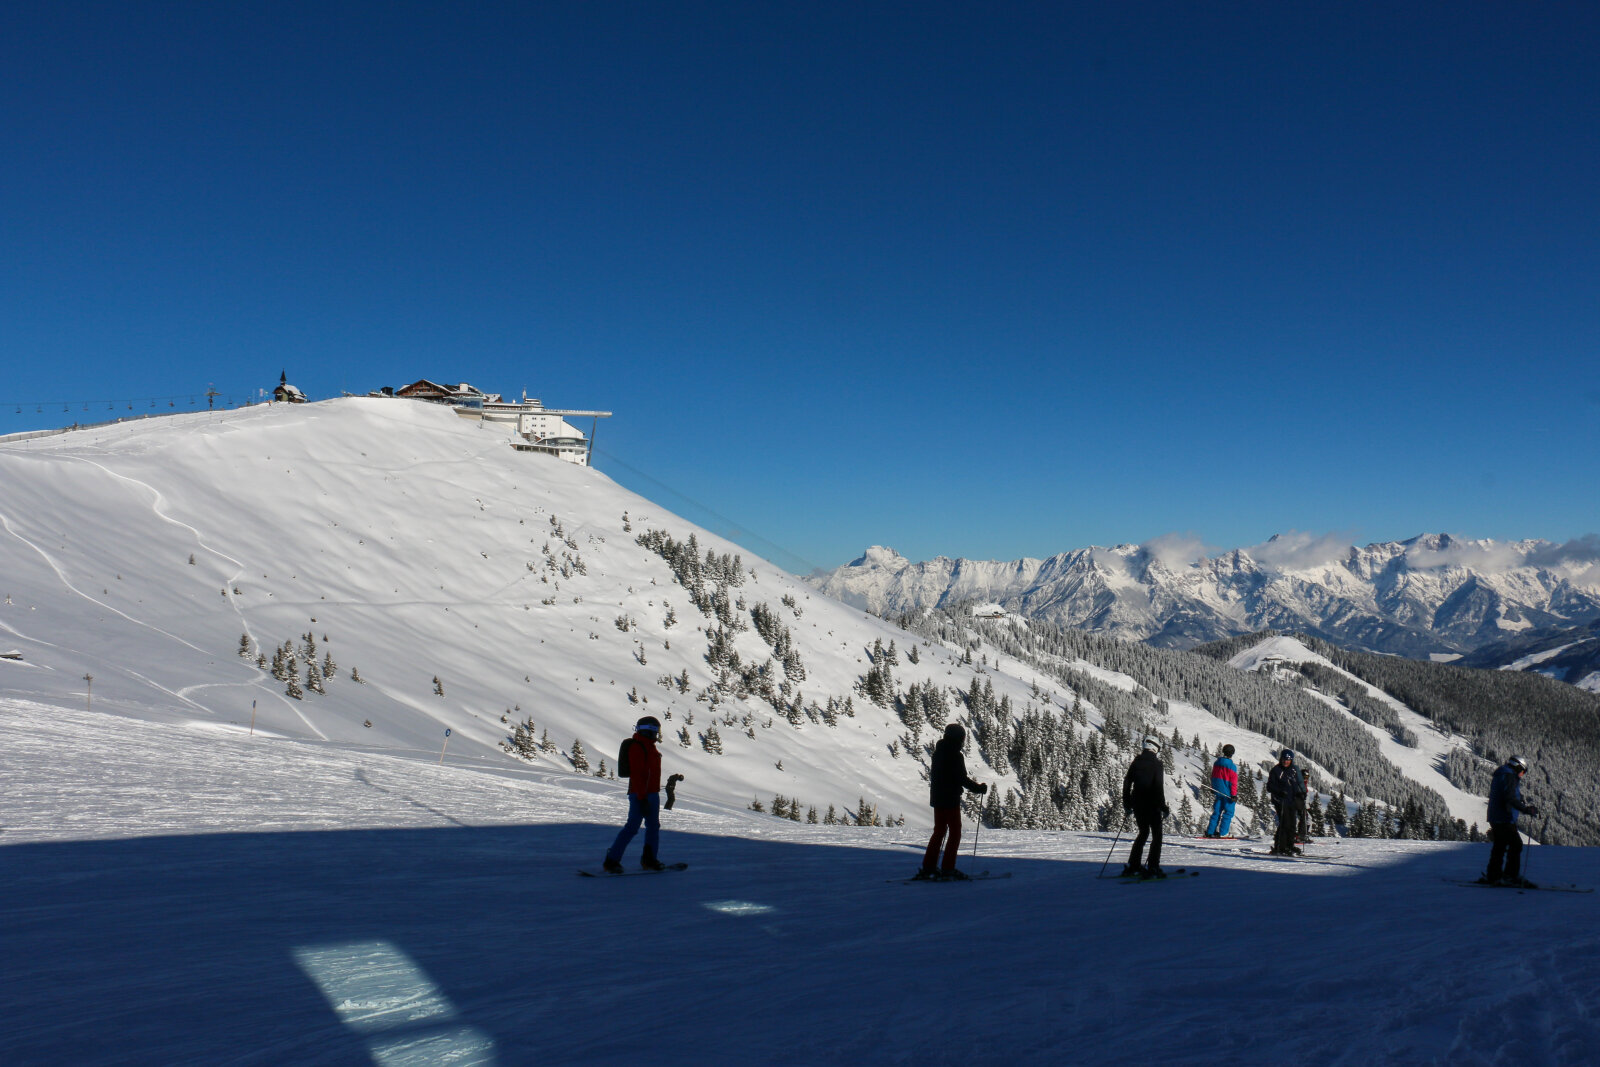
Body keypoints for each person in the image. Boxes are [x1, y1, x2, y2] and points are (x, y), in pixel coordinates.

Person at [918, 722, 989, 880]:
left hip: (937, 798)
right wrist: (978, 788)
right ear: (958, 738)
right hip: (950, 799)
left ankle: (928, 867)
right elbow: (961, 778)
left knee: (939, 832)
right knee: (955, 832)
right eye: (962, 738)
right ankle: (948, 868)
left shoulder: (938, 752)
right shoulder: (955, 755)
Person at [602, 715, 666, 873]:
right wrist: (642, 798)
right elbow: (637, 774)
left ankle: (649, 860)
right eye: (655, 731)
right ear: (649, 731)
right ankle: (612, 860)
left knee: (653, 827)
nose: (656, 734)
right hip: (640, 794)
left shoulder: (650, 747)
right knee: (632, 827)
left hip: (652, 793)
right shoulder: (637, 747)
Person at [1482, 756, 1539, 887]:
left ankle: (1494, 875)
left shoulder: (1502, 774)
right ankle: (1510, 876)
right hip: (1504, 817)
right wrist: (1525, 809)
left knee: (1500, 846)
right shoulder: (1509, 776)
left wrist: (1520, 801)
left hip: (1496, 816)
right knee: (1516, 844)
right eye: (1523, 771)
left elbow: (1508, 794)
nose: (1522, 775)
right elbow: (1509, 797)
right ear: (1517, 767)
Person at [1122, 738, 1169, 878]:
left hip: (1137, 802)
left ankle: (1133, 865)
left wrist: (1127, 803)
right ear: (1156, 748)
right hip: (1152, 804)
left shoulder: (1136, 762)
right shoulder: (1157, 764)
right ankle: (1153, 867)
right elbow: (1158, 787)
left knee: (1143, 832)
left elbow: (1127, 783)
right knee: (1157, 835)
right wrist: (1163, 807)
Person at [1266, 749, 1306, 855]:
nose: (1286, 761)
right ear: (1281, 759)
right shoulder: (1276, 770)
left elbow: (1297, 783)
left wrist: (1301, 793)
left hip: (1291, 800)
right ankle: (1280, 847)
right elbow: (1269, 786)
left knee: (1292, 824)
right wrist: (1279, 792)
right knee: (1285, 823)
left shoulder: (1293, 770)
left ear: (1291, 760)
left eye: (1288, 760)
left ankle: (1290, 845)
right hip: (1280, 801)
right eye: (1284, 759)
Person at [1205, 744, 1239, 838]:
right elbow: (1233, 783)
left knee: (1217, 811)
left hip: (1218, 791)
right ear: (1232, 753)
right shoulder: (1232, 766)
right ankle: (1223, 833)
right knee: (1228, 812)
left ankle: (1210, 831)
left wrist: (1213, 787)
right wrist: (1233, 795)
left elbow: (1213, 776)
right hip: (1228, 793)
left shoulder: (1217, 763)